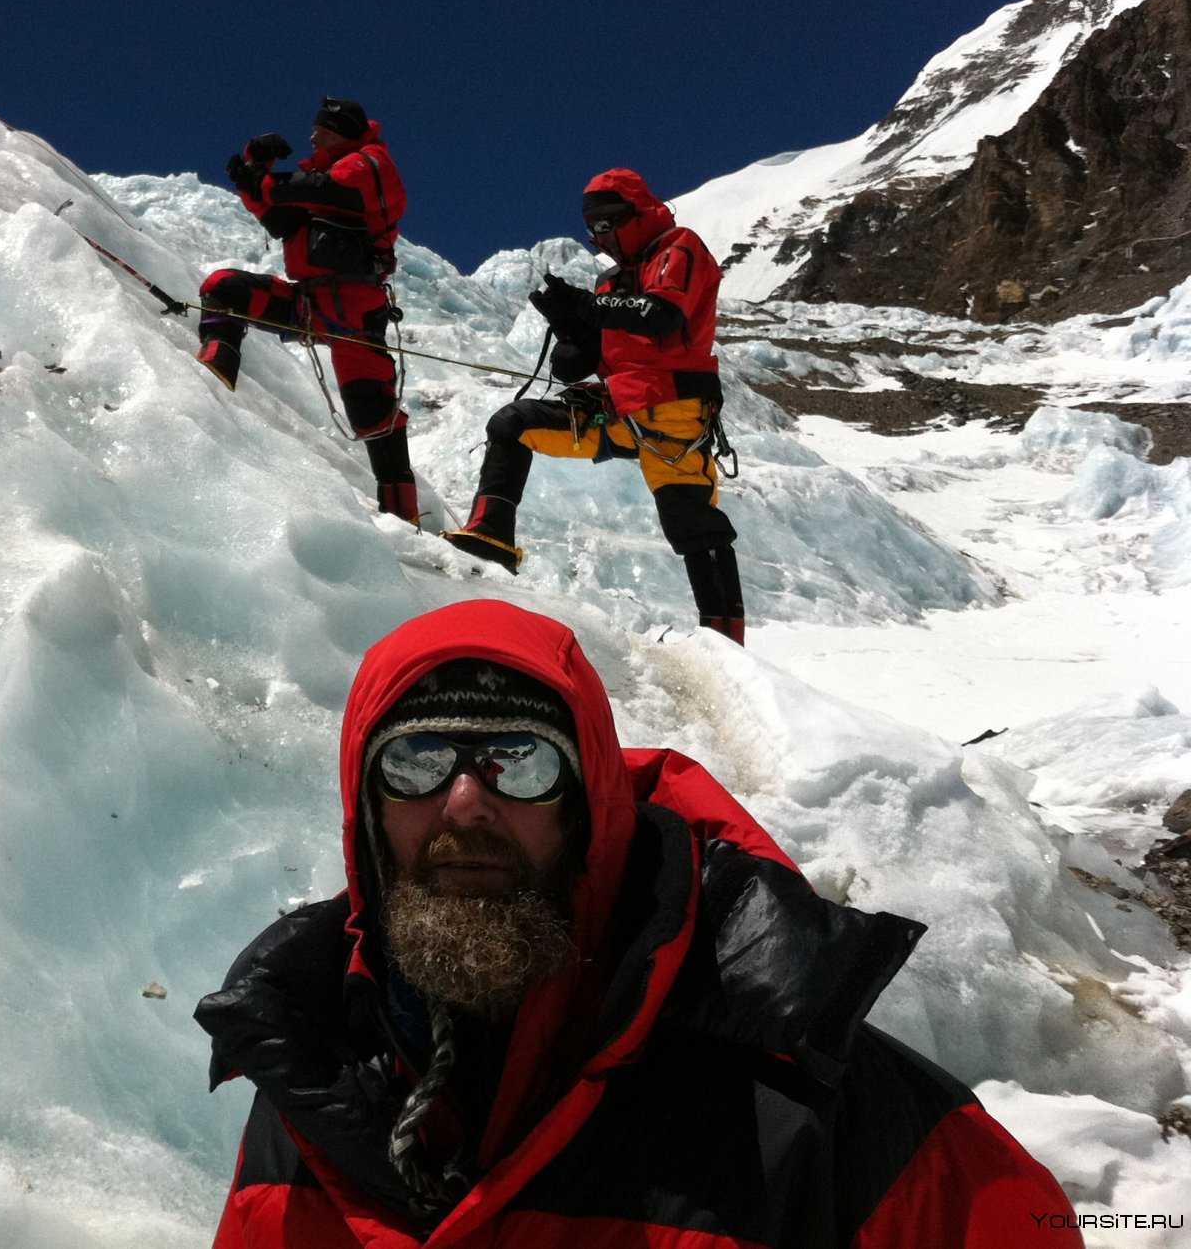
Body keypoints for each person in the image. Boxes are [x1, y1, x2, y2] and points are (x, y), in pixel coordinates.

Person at [195, 599, 1080, 1247]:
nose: (463, 802)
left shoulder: (814, 1116)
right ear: (367, 811)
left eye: (518, 760)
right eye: (417, 761)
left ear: (590, 809)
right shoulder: (309, 1080)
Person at [442, 169, 745, 643]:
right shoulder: (609, 282)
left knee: (692, 524)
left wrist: (588, 309)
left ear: (637, 211)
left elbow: (662, 315)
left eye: (609, 222)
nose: (601, 235)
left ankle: (726, 641)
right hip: (619, 407)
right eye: (594, 227)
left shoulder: (678, 248)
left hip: (674, 410)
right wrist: (570, 328)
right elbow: (576, 365)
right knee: (512, 424)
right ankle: (491, 536)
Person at [202, 97, 420, 525]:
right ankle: (206, 387)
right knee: (224, 288)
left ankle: (405, 522)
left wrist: (267, 181)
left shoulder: (370, 164)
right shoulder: (322, 176)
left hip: (355, 311)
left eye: (321, 129)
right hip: (310, 304)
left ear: (340, 129)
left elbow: (328, 191)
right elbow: (281, 217)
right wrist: (254, 173)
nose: (312, 135)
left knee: (373, 415)